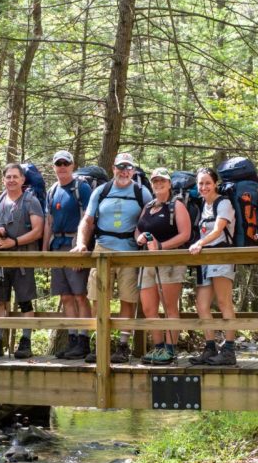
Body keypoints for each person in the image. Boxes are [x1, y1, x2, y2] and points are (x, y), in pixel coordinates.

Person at [73, 152, 153, 363]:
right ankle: (101, 342)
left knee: (128, 298)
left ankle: (123, 345)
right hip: (102, 248)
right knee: (98, 297)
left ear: (133, 171)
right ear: (113, 168)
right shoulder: (102, 190)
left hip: (129, 252)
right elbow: (87, 221)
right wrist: (81, 243)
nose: (124, 171)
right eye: (120, 167)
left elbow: (151, 219)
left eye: (128, 168)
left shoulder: (142, 192)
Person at [0, 163, 45, 359]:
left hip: (23, 259)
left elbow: (37, 230)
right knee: (1, 302)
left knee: (25, 301)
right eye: (8, 177)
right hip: (0, 260)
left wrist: (13, 242)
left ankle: (26, 343)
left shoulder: (30, 201)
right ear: (3, 180)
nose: (12, 180)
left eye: (15, 177)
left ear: (23, 180)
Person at [133, 168, 191, 365]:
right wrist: (140, 238)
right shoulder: (149, 206)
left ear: (169, 184)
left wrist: (161, 246)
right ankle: (158, 348)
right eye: (155, 181)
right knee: (149, 307)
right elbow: (139, 228)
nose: (158, 184)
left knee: (169, 307)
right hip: (147, 262)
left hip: (170, 260)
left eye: (162, 181)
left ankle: (170, 349)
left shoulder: (177, 206)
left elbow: (185, 234)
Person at [43, 150, 94, 360]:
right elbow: (49, 222)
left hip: (75, 246)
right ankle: (72, 340)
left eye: (66, 163)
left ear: (72, 166)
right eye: (58, 164)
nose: (62, 167)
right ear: (54, 167)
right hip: (58, 246)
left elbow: (89, 219)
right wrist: (45, 250)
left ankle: (83, 340)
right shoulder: (52, 190)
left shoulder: (81, 188)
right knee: (65, 296)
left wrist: (82, 248)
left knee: (80, 295)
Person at [187, 167, 238, 366]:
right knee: (201, 304)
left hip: (221, 255)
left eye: (207, 183)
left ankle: (229, 349)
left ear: (215, 183)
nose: (204, 187)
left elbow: (218, 229)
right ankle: (210, 347)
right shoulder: (203, 205)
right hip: (205, 260)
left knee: (224, 302)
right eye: (200, 183)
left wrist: (200, 243)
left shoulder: (223, 203)